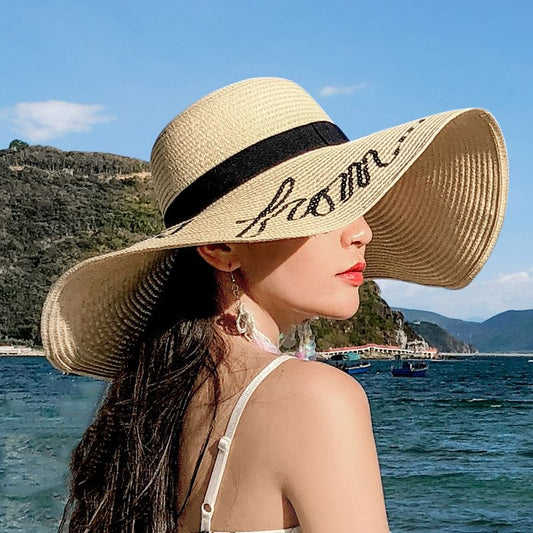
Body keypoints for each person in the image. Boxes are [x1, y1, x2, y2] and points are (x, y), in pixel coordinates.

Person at [41, 77, 508, 532]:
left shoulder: (150, 406)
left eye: (358, 203)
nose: (361, 232)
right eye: (326, 206)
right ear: (221, 247)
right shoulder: (314, 398)